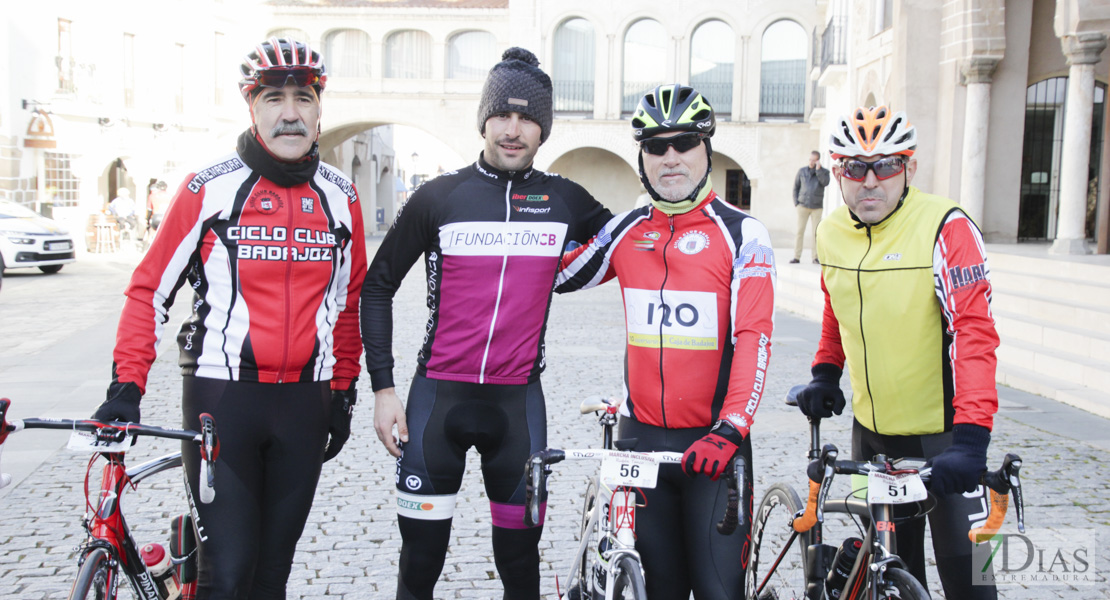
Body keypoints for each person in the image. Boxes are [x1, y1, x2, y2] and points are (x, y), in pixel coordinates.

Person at [90, 37, 367, 599]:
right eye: (273, 97)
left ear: (319, 110)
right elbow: (148, 292)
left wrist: (343, 389)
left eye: (303, 97)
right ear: (252, 108)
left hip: (304, 406)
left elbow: (350, 302)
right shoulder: (208, 187)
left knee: (271, 578)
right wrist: (127, 385)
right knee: (230, 574)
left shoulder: (343, 197)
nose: (289, 112)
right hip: (224, 402)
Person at [361, 47, 612, 600]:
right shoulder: (439, 197)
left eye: (528, 119)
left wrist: (555, 274)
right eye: (503, 115)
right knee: (419, 566)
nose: (514, 129)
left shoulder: (564, 198)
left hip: (517, 409)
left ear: (543, 130)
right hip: (435, 406)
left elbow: (629, 247)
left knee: (521, 569)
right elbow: (377, 286)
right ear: (484, 120)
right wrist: (383, 388)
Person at [556, 84, 776, 600]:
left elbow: (754, 338)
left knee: (719, 593)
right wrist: (551, 198)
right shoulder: (628, 229)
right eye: (656, 145)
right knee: (659, 592)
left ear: (707, 148)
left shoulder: (743, 233)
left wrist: (731, 429)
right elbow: (561, 276)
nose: (670, 156)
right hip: (643, 443)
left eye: (684, 142)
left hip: (714, 448)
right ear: (642, 157)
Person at [795, 106, 1000, 599]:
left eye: (885, 165)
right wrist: (826, 372)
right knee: (889, 575)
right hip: (872, 439)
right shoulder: (830, 232)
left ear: (909, 168)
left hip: (945, 439)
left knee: (972, 583)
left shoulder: (945, 227)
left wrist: (972, 439)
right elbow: (835, 307)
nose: (870, 181)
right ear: (837, 173)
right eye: (855, 167)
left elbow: (974, 333)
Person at [791, 150, 829, 264]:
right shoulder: (802, 171)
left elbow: (825, 182)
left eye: (814, 160)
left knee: (816, 233)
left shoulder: (824, 172)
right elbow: (796, 187)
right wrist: (796, 203)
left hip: (817, 207)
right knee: (799, 231)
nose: (811, 162)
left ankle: (815, 257)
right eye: (810, 159)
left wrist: (818, 171)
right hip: (802, 206)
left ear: (818, 161)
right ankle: (796, 256)